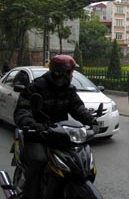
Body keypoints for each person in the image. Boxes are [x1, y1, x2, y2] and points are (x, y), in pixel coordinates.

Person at [13, 55, 97, 199]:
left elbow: (79, 108)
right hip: (38, 134)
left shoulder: (69, 90)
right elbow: (22, 110)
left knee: (79, 162)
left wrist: (92, 123)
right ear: (62, 73)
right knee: (38, 161)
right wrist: (32, 124)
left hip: (60, 134)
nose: (72, 75)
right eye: (71, 72)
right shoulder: (35, 87)